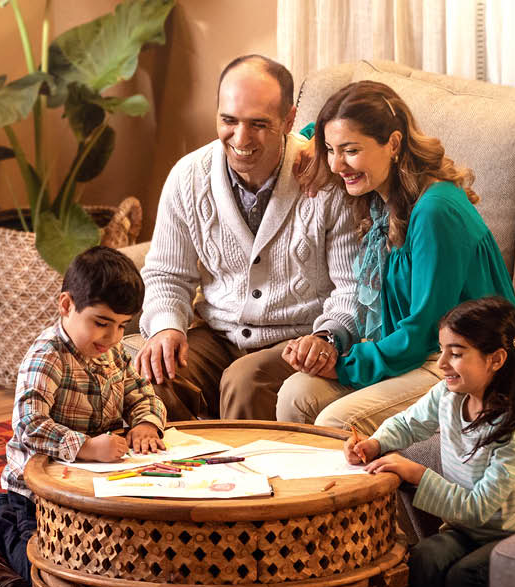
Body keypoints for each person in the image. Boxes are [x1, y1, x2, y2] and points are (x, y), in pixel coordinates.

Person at [277, 80, 515, 433]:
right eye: (330, 149)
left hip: (468, 359)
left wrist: (344, 364)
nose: (337, 165)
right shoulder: (380, 191)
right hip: (422, 350)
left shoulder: (434, 211)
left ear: (394, 143)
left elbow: (425, 329)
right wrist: (314, 140)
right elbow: (319, 130)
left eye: (350, 150)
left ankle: (364, 489)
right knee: (294, 394)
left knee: (337, 420)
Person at [134, 54, 360, 422]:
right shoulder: (187, 177)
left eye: (258, 124)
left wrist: (327, 337)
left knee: (245, 380)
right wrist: (166, 327)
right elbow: (166, 274)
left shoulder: (325, 179)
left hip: (297, 342)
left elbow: (353, 287)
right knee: (154, 377)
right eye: (229, 120)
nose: (240, 138)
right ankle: (175, 479)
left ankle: (244, 479)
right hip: (219, 335)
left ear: (289, 120)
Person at [0, 245, 167, 584]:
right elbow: (29, 424)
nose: (112, 336)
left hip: (88, 487)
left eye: (122, 326)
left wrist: (146, 421)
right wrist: (86, 447)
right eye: (101, 323)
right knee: (40, 567)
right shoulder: (47, 356)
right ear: (66, 305)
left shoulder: (113, 351)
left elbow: (140, 392)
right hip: (36, 494)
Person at [346, 296, 515, 587]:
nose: (441, 363)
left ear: (495, 359)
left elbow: (479, 508)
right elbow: (408, 423)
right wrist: (374, 443)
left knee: (464, 576)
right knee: (424, 557)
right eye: (442, 351)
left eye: (455, 353)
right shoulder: (447, 394)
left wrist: (418, 474)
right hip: (467, 530)